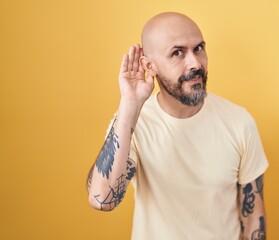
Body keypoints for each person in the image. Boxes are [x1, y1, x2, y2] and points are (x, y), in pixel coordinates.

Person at [87, 12, 269, 240]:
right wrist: (129, 106)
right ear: (149, 66)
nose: (195, 63)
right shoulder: (132, 124)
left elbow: (253, 217)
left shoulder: (239, 122)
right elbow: (102, 198)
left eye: (199, 48)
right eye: (177, 53)